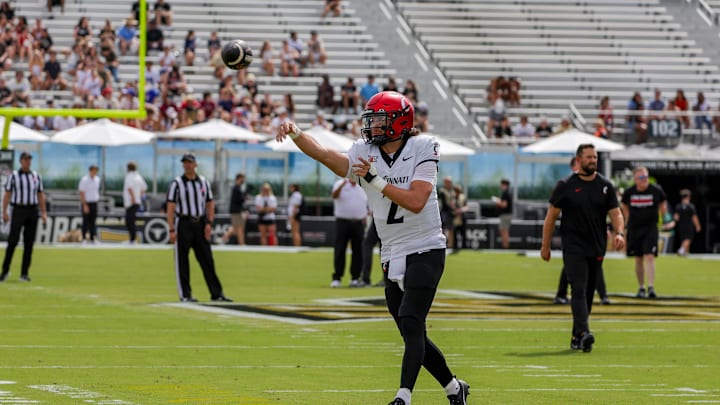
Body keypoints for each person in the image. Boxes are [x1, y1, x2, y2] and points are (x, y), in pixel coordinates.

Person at [275, 91, 470, 405]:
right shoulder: (364, 150)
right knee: (411, 330)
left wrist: (376, 180)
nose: (373, 126)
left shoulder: (423, 146)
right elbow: (326, 155)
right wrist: (297, 133)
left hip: (425, 245)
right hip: (392, 249)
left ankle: (403, 396)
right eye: (371, 120)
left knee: (410, 320)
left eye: (380, 120)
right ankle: (453, 388)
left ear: (400, 121)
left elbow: (417, 202)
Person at [541, 144, 625, 353]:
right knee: (578, 287)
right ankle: (584, 332)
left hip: (597, 246)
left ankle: (576, 335)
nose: (593, 161)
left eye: (595, 157)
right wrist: (546, 245)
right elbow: (551, 217)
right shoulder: (565, 185)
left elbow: (616, 213)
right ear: (578, 160)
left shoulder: (605, 186)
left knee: (588, 293)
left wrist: (620, 233)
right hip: (573, 246)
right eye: (588, 157)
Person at [166, 153, 231, 303]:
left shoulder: (203, 182)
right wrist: (171, 229)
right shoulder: (176, 183)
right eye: (185, 163)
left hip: (200, 222)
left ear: (195, 164)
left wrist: (209, 223)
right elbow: (170, 206)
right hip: (183, 222)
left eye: (190, 163)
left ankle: (217, 293)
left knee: (207, 259)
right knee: (182, 260)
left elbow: (210, 203)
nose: (187, 165)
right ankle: (185, 294)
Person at [553, 157, 611, 306]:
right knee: (573, 267)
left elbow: (606, 210)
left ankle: (601, 295)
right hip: (575, 236)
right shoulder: (567, 184)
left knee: (592, 267)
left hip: (593, 235)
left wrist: (610, 229)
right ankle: (564, 294)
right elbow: (554, 210)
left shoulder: (597, 184)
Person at [621, 167, 669, 299]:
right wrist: (627, 218)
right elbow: (623, 204)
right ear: (635, 180)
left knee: (649, 256)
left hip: (650, 228)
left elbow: (663, 202)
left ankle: (651, 287)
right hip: (635, 228)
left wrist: (665, 217)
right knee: (638, 258)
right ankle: (641, 287)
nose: (645, 180)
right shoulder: (629, 192)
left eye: (646, 177)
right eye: (642, 178)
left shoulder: (655, 190)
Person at [1, 152, 47, 282]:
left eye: (29, 160)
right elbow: (7, 194)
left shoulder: (36, 176)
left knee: (29, 243)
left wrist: (43, 212)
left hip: (32, 210)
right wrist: (4, 212)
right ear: (21, 161)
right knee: (12, 241)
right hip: (18, 210)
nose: (28, 162)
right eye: (26, 159)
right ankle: (4, 271)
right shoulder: (14, 176)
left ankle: (24, 273)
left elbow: (40, 195)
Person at [330, 178, 368, 287]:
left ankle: (355, 278)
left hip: (358, 223)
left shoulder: (362, 186)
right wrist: (342, 185)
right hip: (342, 222)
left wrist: (366, 213)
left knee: (358, 251)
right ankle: (337, 277)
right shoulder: (339, 183)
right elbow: (334, 196)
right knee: (340, 249)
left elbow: (367, 202)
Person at [123, 161, 147, 244]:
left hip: (131, 202)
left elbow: (129, 188)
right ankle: (132, 239)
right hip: (137, 201)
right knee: (131, 221)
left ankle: (132, 240)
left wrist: (133, 198)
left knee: (129, 221)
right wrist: (138, 197)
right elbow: (144, 188)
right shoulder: (139, 176)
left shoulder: (129, 176)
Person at [674, 189, 701, 256]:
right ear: (688, 196)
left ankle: (686, 253)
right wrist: (698, 226)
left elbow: (676, 217)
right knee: (688, 239)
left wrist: (674, 223)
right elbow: (694, 217)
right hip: (688, 225)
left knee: (684, 239)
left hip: (681, 226)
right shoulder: (691, 206)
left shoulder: (678, 206)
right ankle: (681, 250)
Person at [78, 165, 101, 244]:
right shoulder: (84, 180)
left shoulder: (97, 179)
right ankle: (84, 238)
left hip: (94, 202)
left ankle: (92, 238)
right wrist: (84, 205)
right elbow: (82, 192)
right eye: (94, 170)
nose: (95, 172)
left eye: (96, 171)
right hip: (86, 203)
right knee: (85, 221)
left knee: (93, 221)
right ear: (90, 170)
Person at [227, 173, 249, 245]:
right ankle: (242, 244)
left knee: (236, 228)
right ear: (239, 178)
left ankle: (223, 239)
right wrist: (244, 195)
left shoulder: (238, 188)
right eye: (242, 178)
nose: (243, 180)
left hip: (237, 211)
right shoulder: (236, 188)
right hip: (236, 211)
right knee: (239, 228)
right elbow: (239, 200)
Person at [438, 176, 456, 249]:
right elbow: (444, 203)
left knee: (451, 228)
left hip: (451, 212)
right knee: (443, 228)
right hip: (444, 212)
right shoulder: (442, 191)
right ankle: (443, 243)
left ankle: (450, 244)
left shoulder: (452, 191)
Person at [494, 179, 512, 249]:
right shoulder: (507, 193)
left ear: (505, 185)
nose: (500, 186)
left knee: (504, 230)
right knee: (503, 230)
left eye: (501, 185)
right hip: (506, 215)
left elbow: (504, 205)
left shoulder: (506, 193)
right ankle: (505, 245)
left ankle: (505, 246)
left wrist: (497, 201)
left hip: (506, 215)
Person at [452, 183, 468, 252]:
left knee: (463, 233)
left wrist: (460, 210)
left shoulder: (463, 197)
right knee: (455, 233)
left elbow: (466, 207)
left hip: (462, 218)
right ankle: (455, 247)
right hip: (455, 218)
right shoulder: (452, 198)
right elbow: (451, 207)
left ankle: (464, 247)